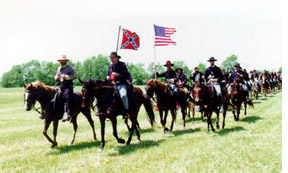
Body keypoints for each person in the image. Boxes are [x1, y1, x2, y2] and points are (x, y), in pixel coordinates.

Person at [106, 52, 131, 119]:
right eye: (111, 58)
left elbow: (126, 75)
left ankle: (126, 111)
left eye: (113, 58)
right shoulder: (110, 66)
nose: (112, 59)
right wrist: (108, 77)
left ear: (117, 58)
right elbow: (108, 74)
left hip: (121, 83)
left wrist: (118, 75)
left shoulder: (122, 65)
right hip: (112, 84)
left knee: (123, 95)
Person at [54, 55, 77, 122]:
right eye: (61, 60)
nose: (62, 61)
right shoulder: (58, 68)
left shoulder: (70, 68)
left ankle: (68, 113)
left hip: (68, 85)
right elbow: (57, 75)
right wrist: (56, 78)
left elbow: (75, 76)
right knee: (53, 95)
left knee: (67, 96)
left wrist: (66, 76)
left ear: (66, 61)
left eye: (63, 60)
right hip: (60, 85)